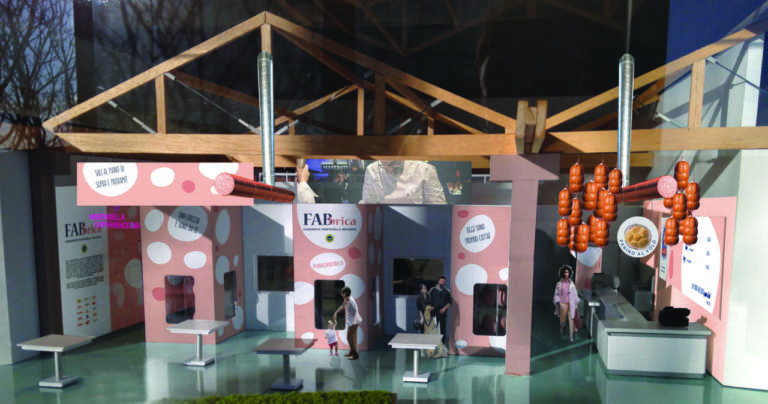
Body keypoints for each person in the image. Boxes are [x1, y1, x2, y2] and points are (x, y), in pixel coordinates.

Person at [361, 160, 447, 204]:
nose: (389, 169)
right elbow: (367, 204)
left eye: (394, 164)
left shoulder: (425, 170)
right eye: (384, 165)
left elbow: (438, 207)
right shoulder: (372, 169)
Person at [334, 286, 362, 360]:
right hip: (351, 320)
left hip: (354, 321)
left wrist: (354, 322)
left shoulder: (351, 301)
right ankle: (352, 352)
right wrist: (336, 312)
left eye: (342, 293)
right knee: (351, 338)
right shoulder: (346, 299)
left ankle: (355, 354)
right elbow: (343, 306)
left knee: (350, 338)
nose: (341, 294)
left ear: (345, 293)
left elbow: (356, 311)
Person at [553, 265, 578, 342]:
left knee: (571, 320)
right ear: (562, 273)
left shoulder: (571, 284)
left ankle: (571, 336)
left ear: (569, 273)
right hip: (563, 304)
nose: (566, 273)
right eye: (564, 272)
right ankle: (562, 331)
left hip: (570, 303)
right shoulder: (559, 284)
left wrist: (576, 303)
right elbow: (556, 294)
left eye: (567, 272)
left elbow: (575, 294)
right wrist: (557, 302)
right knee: (562, 321)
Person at [428, 275, 451, 353]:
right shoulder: (432, 290)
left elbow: (449, 302)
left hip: (442, 313)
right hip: (434, 313)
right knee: (433, 329)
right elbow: (429, 300)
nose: (442, 283)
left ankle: (442, 346)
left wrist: (444, 309)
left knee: (442, 330)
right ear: (438, 281)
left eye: (444, 282)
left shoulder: (447, 291)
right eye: (441, 281)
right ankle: (432, 346)